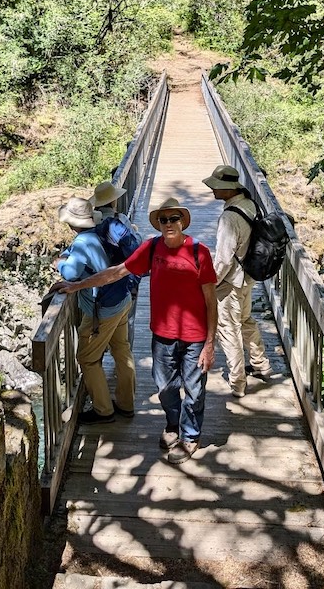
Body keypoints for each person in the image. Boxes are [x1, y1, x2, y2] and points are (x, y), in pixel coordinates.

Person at [52, 196, 218, 464]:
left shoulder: (199, 253)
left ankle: (189, 436)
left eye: (173, 219)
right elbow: (116, 272)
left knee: (194, 389)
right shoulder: (152, 248)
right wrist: (76, 286)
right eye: (163, 220)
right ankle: (172, 424)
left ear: (183, 221)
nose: (168, 224)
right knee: (165, 387)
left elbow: (211, 300)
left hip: (195, 336)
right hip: (163, 333)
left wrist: (210, 343)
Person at [56, 196, 136, 425]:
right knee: (122, 351)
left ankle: (104, 411)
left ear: (72, 223)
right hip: (121, 299)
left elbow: (70, 274)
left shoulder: (82, 242)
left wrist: (59, 263)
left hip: (102, 310)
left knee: (87, 359)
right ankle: (126, 404)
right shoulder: (100, 231)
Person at [203, 164, 273, 397]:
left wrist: (210, 284)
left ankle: (237, 382)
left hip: (231, 281)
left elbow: (223, 259)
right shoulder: (249, 204)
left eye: (216, 187)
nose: (213, 191)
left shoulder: (229, 217)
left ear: (228, 189)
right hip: (249, 276)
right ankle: (261, 363)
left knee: (228, 329)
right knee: (245, 320)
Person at [90, 180, 142, 347]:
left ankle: (105, 349)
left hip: (98, 280)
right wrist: (135, 231)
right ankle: (125, 351)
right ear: (114, 201)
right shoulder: (120, 220)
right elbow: (136, 245)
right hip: (125, 276)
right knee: (127, 319)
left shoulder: (92, 224)